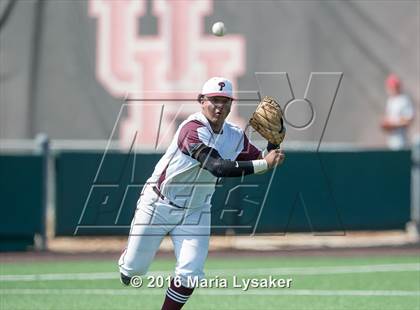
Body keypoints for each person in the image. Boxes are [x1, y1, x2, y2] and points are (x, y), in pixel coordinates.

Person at [118, 77, 285, 310]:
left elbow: (259, 159)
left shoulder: (235, 135)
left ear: (231, 104)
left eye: (225, 101)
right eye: (214, 100)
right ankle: (127, 262)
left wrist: (273, 144)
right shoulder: (191, 129)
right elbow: (217, 166)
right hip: (158, 204)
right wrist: (265, 164)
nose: (219, 106)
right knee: (134, 269)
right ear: (201, 101)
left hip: (196, 210)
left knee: (191, 272)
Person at [381, 74, 414, 149]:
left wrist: (393, 124)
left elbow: (408, 120)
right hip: (391, 140)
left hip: (401, 140)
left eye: (393, 87)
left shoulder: (404, 100)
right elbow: (388, 119)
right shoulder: (390, 101)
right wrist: (385, 124)